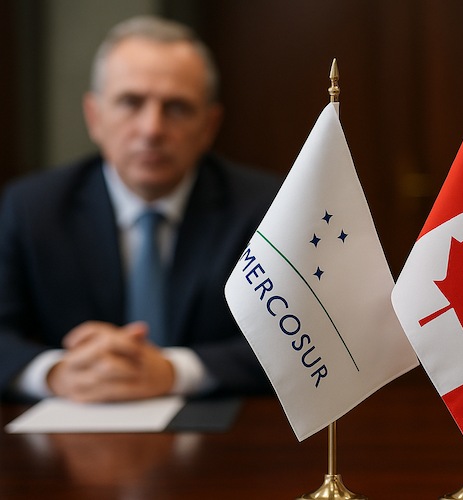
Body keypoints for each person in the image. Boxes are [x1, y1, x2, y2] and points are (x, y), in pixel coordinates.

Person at [0, 16, 282, 402]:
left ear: (209, 126)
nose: (152, 129)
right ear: (95, 117)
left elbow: (293, 342)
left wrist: (174, 371)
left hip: (221, 430)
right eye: (131, 103)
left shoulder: (267, 210)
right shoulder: (32, 208)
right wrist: (55, 374)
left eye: (177, 108)